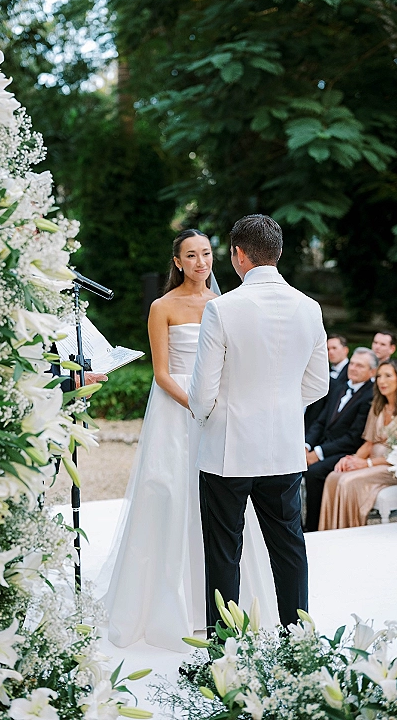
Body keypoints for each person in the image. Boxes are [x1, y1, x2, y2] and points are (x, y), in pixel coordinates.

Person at [102, 229, 278, 652]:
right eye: (191, 256)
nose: (201, 262)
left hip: (219, 408)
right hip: (176, 409)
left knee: (220, 499)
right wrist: (200, 406)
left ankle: (226, 602)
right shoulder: (162, 306)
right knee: (168, 493)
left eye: (206, 254)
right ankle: (167, 603)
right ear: (177, 262)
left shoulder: (227, 303)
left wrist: (223, 404)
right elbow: (161, 374)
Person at [189, 215, 329, 630]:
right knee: (289, 548)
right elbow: (318, 384)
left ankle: (223, 653)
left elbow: (201, 392)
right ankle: (296, 644)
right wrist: (281, 409)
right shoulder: (310, 307)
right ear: (279, 253)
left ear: (238, 254)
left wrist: (212, 417)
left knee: (223, 552)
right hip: (284, 448)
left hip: (227, 451)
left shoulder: (221, 308)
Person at [319, 359, 397, 530]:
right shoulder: (378, 406)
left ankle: (350, 533)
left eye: (388, 376)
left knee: (347, 482)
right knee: (334, 476)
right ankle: (330, 532)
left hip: (395, 469)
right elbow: (369, 443)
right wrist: (351, 460)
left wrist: (366, 463)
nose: (382, 381)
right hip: (371, 464)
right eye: (379, 376)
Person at [303, 347, 377, 532]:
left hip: (346, 451)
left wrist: (317, 454)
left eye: (360, 366)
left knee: (314, 472)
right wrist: (306, 446)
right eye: (352, 363)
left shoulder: (371, 396)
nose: (353, 368)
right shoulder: (340, 387)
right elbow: (320, 421)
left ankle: (314, 527)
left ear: (372, 372)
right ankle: (296, 523)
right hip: (324, 446)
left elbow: (353, 438)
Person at [304, 334, 349, 431]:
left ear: (345, 350)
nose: (330, 352)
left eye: (334, 348)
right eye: (328, 349)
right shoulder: (323, 370)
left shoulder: (351, 372)